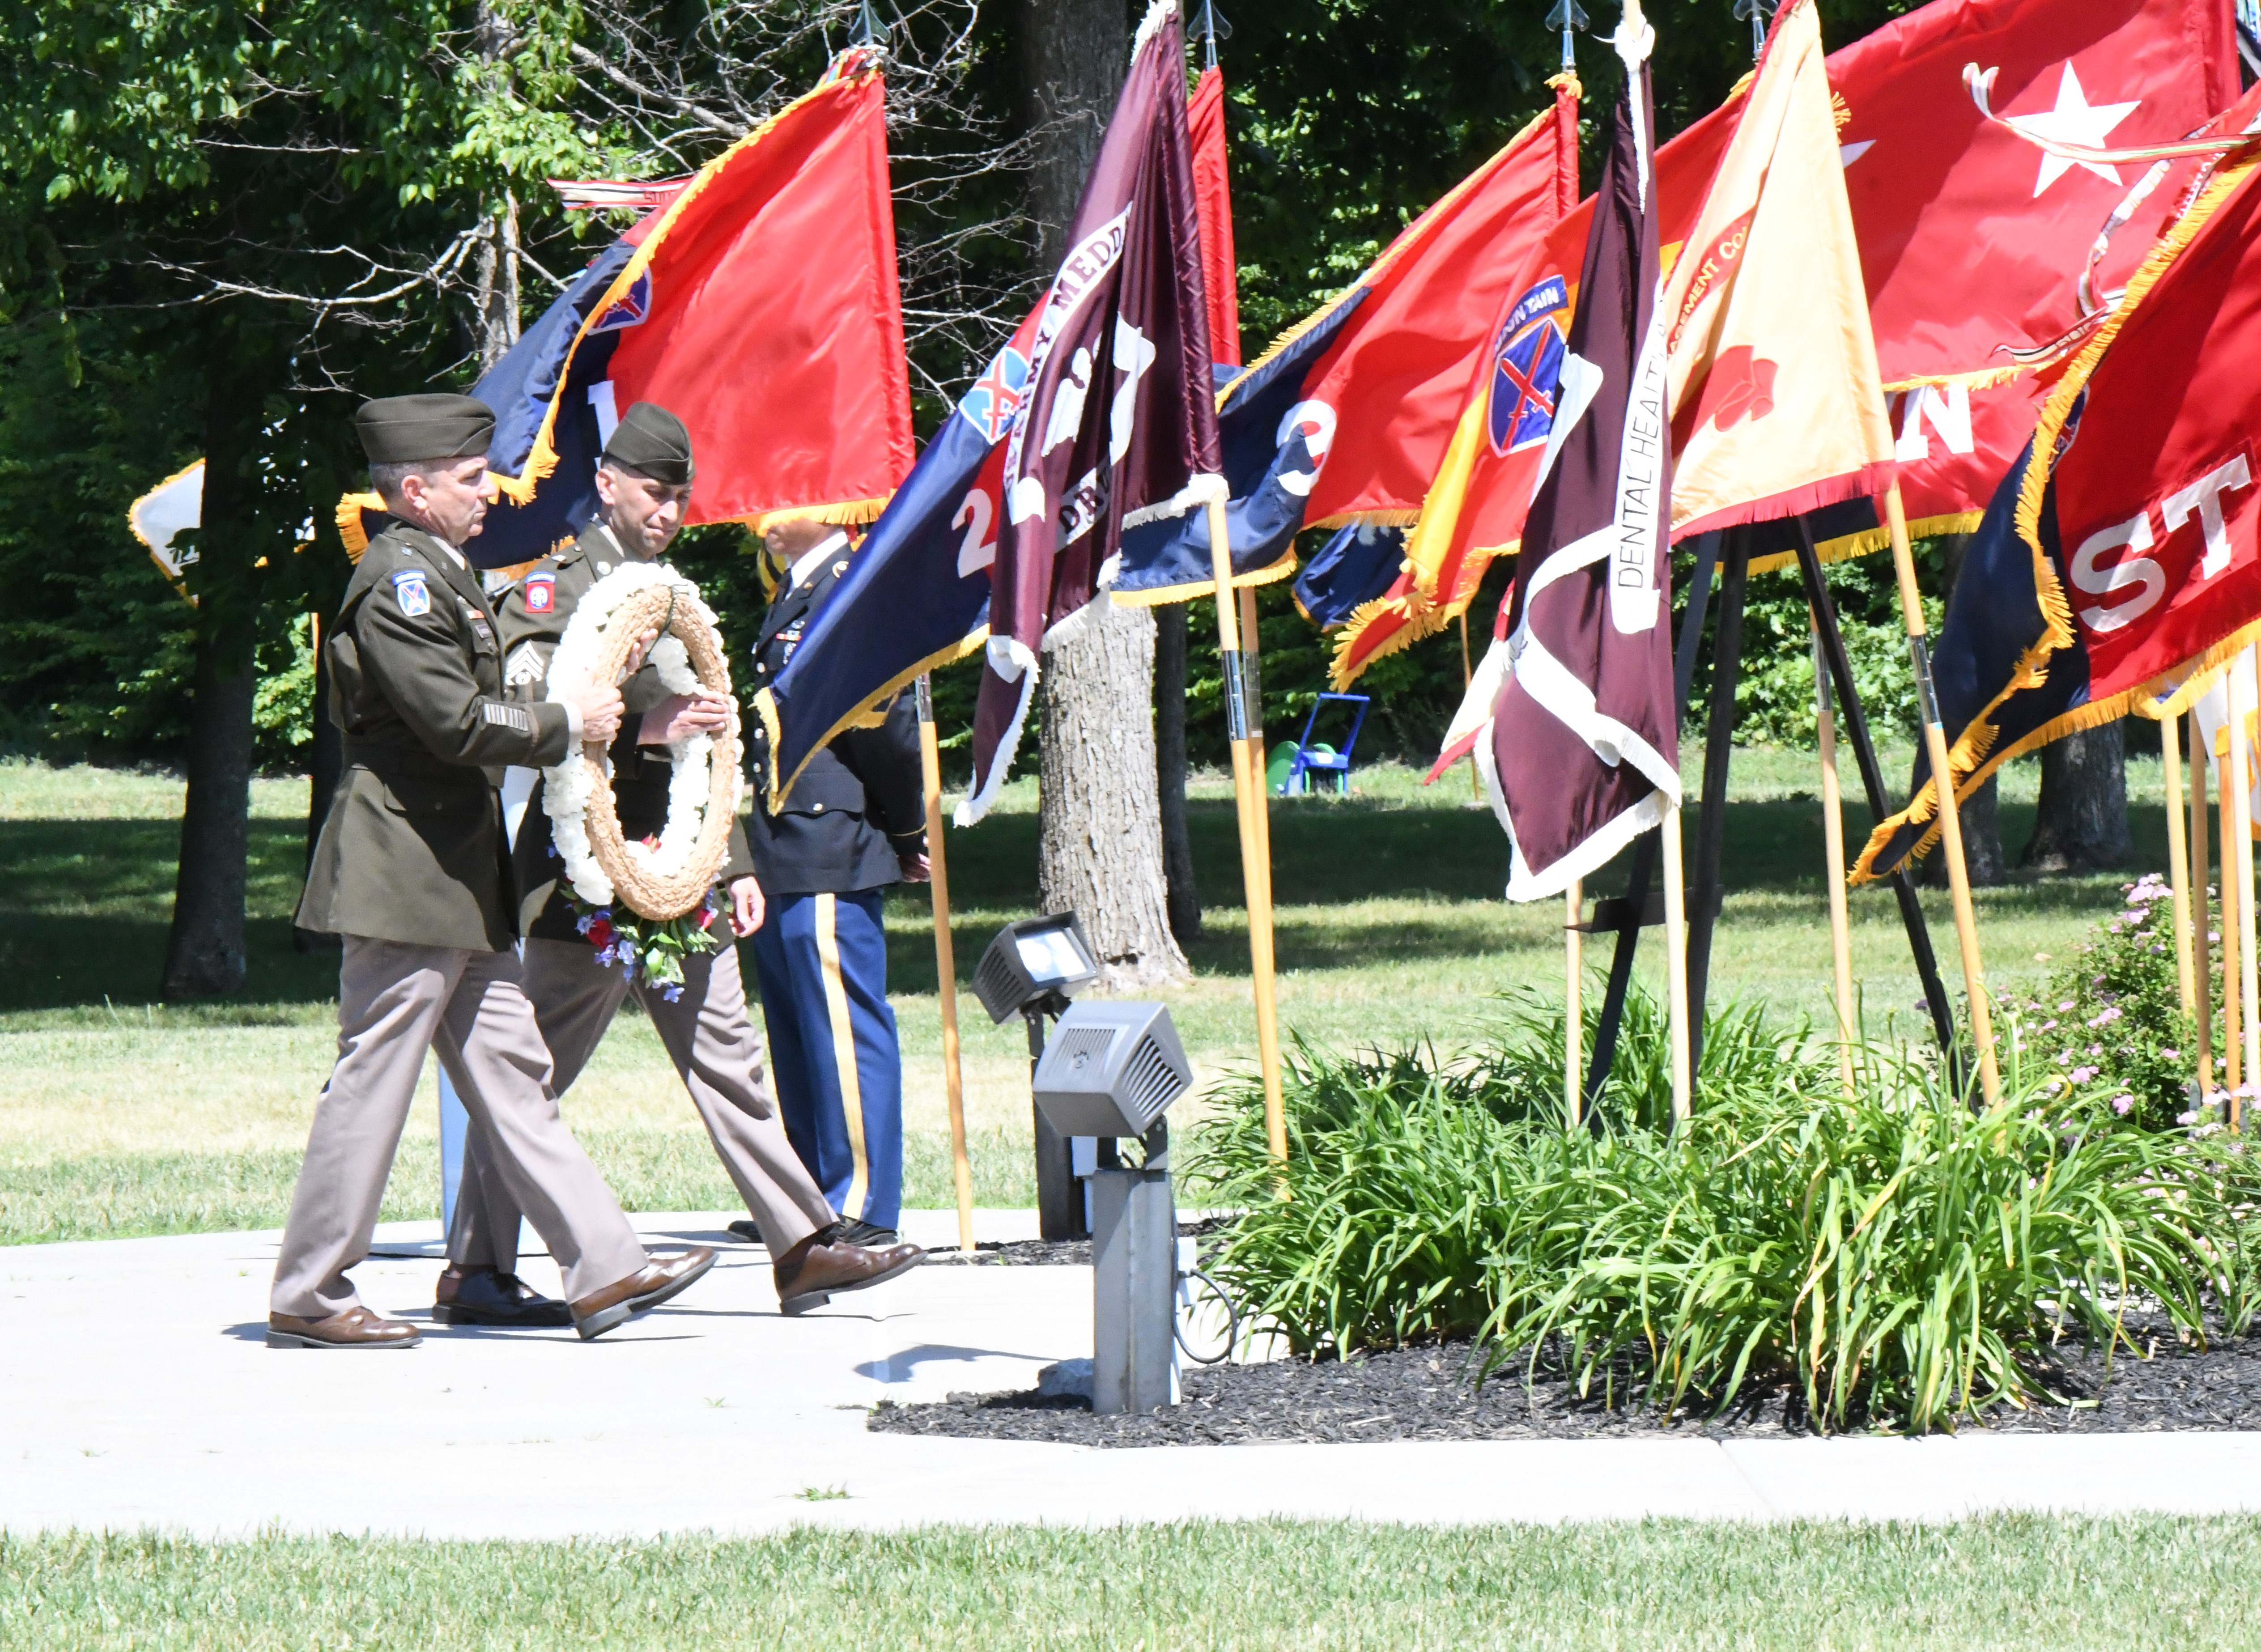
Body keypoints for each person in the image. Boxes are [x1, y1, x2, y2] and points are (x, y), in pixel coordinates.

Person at [276, 392, 715, 1348]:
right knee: (374, 1079)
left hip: (457, 877)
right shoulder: (400, 582)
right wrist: (569, 723)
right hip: (405, 872)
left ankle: (605, 1264)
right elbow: (455, 722)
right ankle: (310, 1291)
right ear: (416, 490)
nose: (490, 493)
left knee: (515, 1074)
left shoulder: (443, 570)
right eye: (472, 480)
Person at [477, 400, 922, 1314]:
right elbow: (530, 712)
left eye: (680, 497)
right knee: (533, 1079)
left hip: (680, 871)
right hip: (583, 876)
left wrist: (735, 863)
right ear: (606, 484)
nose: (669, 511)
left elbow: (709, 749)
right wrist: (643, 726)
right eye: (653, 491)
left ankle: (802, 1243)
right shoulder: (554, 590)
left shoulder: (674, 597)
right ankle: (477, 1266)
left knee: (729, 1057)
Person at [742, 515, 928, 1245]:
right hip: (785, 838)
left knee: (843, 1029)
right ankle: (811, 1197)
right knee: (798, 1030)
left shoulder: (850, 585)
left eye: (784, 497)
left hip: (829, 835)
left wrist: (905, 830)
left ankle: (863, 1203)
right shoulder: (797, 588)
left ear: (829, 504)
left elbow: (885, 725)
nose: (764, 514)